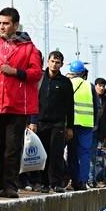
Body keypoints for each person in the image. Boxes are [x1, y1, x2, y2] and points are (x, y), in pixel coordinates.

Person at [0, 7, 42, 198]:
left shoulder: (29, 49)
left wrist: (16, 72)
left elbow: (36, 73)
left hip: (17, 106)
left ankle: (10, 185)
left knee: (12, 149)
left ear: (15, 25)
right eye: (0, 23)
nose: (2, 27)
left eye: (6, 23)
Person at [31, 51, 74, 193]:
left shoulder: (65, 82)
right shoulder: (40, 79)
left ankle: (56, 183)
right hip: (41, 122)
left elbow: (70, 105)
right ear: (47, 62)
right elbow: (33, 101)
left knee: (56, 154)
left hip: (58, 124)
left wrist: (70, 127)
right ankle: (43, 183)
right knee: (42, 154)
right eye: (52, 61)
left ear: (61, 64)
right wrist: (32, 121)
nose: (54, 65)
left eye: (58, 62)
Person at [66, 61, 98, 191]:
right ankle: (83, 181)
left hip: (72, 124)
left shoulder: (68, 84)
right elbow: (96, 106)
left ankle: (74, 180)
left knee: (72, 153)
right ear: (83, 72)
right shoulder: (89, 86)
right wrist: (95, 123)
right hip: (87, 124)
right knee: (85, 154)